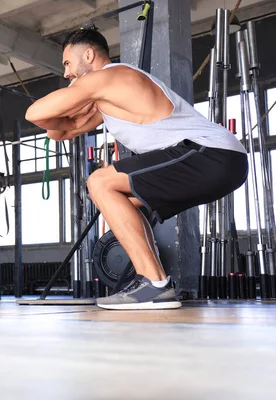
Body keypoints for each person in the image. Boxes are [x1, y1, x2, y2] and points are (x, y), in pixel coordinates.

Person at [25, 28, 248, 310]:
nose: (67, 73)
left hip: (211, 153)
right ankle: (153, 283)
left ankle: (153, 284)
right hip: (221, 162)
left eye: (68, 63)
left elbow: (33, 113)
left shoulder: (109, 77)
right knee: (123, 201)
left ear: (89, 55)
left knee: (100, 182)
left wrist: (75, 95)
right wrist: (77, 104)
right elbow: (59, 133)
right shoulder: (104, 96)